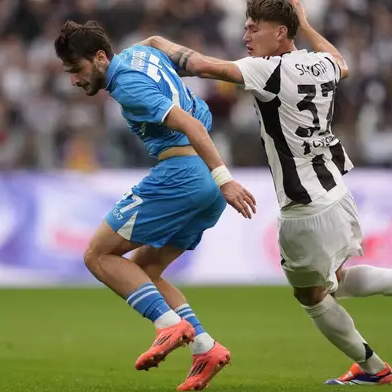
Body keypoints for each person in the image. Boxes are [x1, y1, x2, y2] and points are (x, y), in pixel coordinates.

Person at [138, 0, 392, 385]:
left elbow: (198, 65)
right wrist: (304, 21)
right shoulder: (322, 63)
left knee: (312, 297)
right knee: (336, 279)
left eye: (255, 28)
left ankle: (372, 367)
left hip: (303, 209)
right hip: (337, 192)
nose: (246, 35)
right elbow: (341, 62)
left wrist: (156, 43)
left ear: (280, 33)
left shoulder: (266, 70)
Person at [54, 20, 257, 390]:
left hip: (184, 175)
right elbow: (157, 41)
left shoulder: (128, 86)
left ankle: (167, 325)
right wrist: (198, 62)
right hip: (204, 185)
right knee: (144, 270)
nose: (74, 79)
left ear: (100, 58)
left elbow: (192, 126)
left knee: (98, 255)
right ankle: (204, 347)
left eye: (77, 70)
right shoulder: (139, 52)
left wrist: (225, 180)